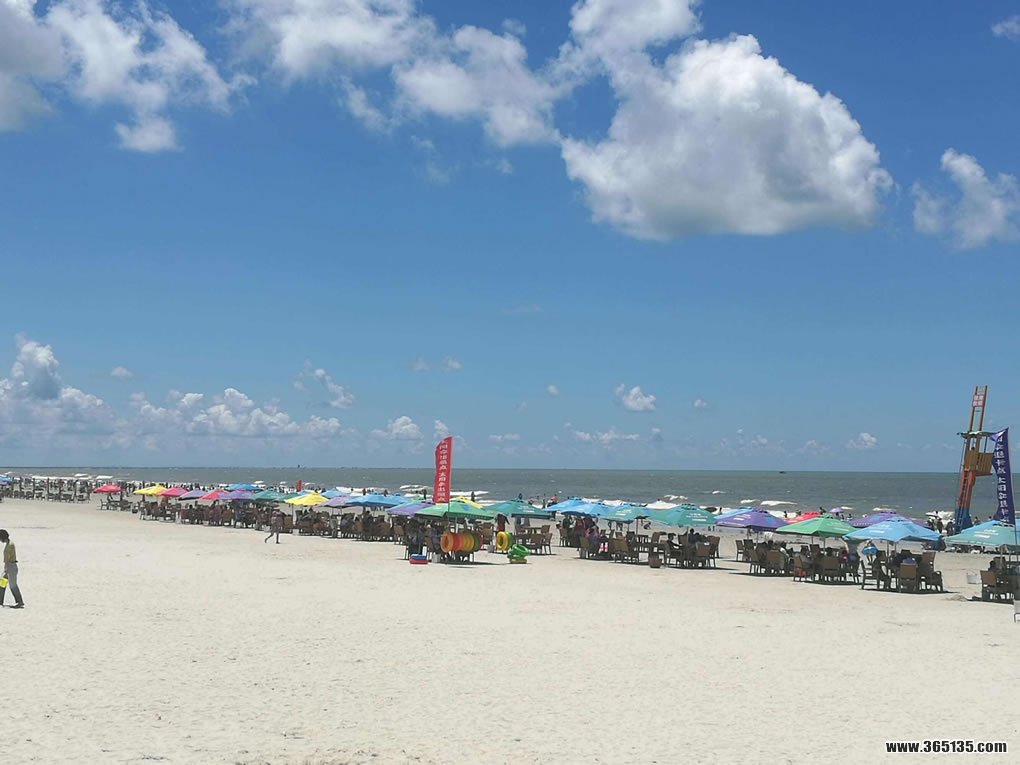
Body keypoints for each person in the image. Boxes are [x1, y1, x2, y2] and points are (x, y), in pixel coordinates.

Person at [0, 529, 24, 609]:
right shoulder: (10, 543)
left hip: (11, 567)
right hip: (10, 566)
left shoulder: (9, 546)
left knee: (13, 585)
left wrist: (6, 570)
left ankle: (20, 601)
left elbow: (7, 560)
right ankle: (0, 601)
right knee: (2, 583)